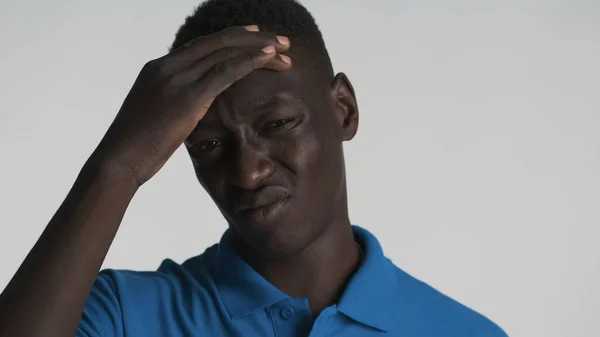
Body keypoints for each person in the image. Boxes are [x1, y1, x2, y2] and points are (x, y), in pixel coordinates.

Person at [0, 0, 509, 336]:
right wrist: (119, 164)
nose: (247, 173)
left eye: (279, 123)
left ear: (344, 110)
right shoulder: (124, 315)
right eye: (209, 145)